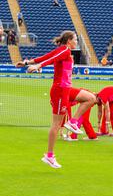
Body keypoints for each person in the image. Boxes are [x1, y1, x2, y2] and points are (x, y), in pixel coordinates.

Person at [15, 31, 87, 169]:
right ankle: (49, 156)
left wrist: (26, 62)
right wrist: (37, 66)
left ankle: (73, 122)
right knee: (56, 124)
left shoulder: (63, 50)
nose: (77, 41)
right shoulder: (65, 50)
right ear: (69, 41)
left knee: (90, 98)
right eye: (75, 39)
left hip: (66, 89)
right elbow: (50, 59)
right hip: (60, 90)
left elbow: (46, 56)